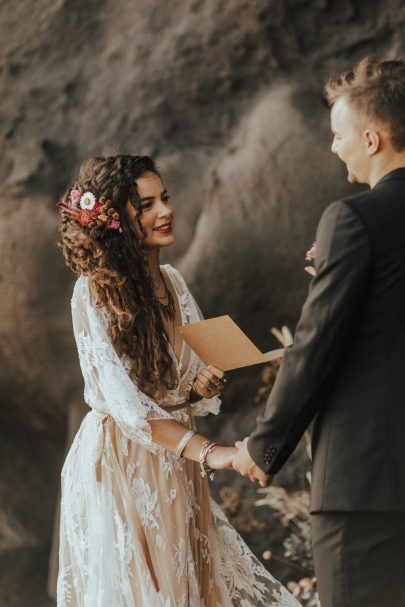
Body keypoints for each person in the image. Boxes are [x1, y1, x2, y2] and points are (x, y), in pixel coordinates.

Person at [56, 155, 299, 607]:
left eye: (164, 198)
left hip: (177, 464)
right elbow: (131, 407)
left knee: (195, 587)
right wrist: (220, 454)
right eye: (146, 204)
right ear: (115, 220)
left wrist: (198, 386)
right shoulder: (93, 291)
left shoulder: (173, 281)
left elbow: (176, 384)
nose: (165, 211)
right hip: (123, 462)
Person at [232, 56, 405, 607]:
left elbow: (316, 345)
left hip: (367, 487)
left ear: (373, 140)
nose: (334, 147)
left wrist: (263, 448)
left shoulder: (352, 220)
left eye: (339, 135)